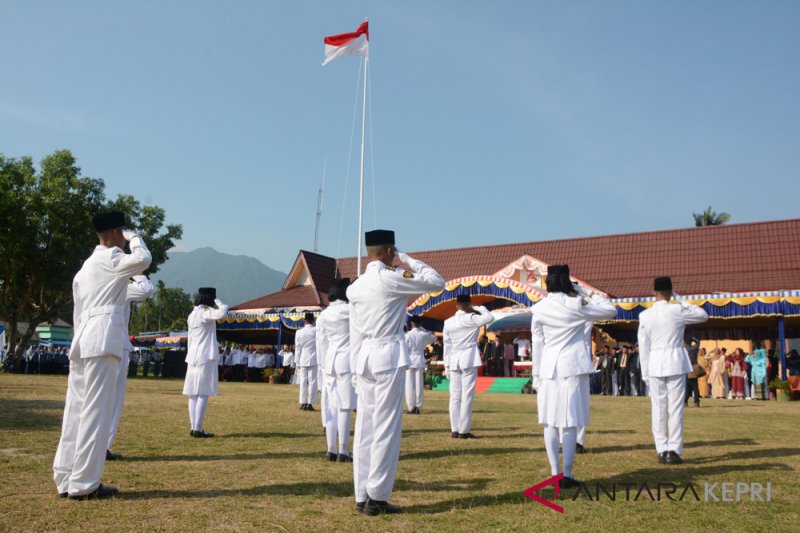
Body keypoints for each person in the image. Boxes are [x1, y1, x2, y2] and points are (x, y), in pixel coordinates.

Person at [53, 211, 151, 500]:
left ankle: (65, 477)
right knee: (96, 412)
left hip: (83, 340)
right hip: (103, 339)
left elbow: (78, 312)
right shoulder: (111, 258)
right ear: (117, 232)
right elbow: (143, 261)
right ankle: (84, 484)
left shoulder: (84, 268)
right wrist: (135, 238)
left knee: (75, 411)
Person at [347, 229, 445, 516]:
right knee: (386, 428)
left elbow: (355, 333)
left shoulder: (356, 286)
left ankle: (361, 493)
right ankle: (377, 497)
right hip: (387, 356)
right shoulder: (389, 278)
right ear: (389, 250)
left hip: (364, 358)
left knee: (365, 426)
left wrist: (355, 367)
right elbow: (436, 282)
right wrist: (406, 258)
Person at [531, 264, 616, 488]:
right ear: (568, 283)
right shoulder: (576, 304)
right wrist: (588, 292)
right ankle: (567, 474)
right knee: (569, 423)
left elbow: (537, 343)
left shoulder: (539, 308)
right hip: (572, 367)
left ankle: (554, 473)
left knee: (549, 422)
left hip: (549, 367)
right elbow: (610, 310)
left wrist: (536, 374)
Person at [638, 277, 708, 465]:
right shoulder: (677, 310)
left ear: (653, 292)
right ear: (670, 292)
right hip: (675, 361)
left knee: (658, 408)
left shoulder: (645, 315)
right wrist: (680, 299)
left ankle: (661, 449)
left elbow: (643, 346)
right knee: (675, 408)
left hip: (654, 362)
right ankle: (673, 450)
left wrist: (645, 372)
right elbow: (702, 315)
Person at [106, 275, 156, 461]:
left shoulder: (95, 279)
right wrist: (137, 272)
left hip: (94, 343)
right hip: (117, 345)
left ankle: (92, 447)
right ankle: (103, 447)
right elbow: (147, 289)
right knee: (114, 399)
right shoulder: (122, 286)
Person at [316, 278, 356, 462]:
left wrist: (323, 364)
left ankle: (331, 449)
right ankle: (343, 451)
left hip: (330, 361)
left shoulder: (324, 314)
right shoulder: (350, 310)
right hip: (346, 361)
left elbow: (321, 342)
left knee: (332, 407)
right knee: (344, 408)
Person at [443, 295, 494, 439]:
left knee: (455, 396)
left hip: (454, 360)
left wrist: (446, 365)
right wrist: (478, 308)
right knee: (467, 395)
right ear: (468, 305)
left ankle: (455, 429)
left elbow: (447, 345)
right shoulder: (471, 318)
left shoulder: (448, 322)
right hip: (468, 358)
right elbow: (489, 317)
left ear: (456, 305)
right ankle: (463, 431)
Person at [182, 288, 228, 437]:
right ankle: (198, 428)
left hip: (193, 357)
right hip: (205, 356)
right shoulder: (205, 313)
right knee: (203, 392)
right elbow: (222, 312)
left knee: (193, 394)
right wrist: (218, 302)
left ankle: (193, 427)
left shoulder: (192, 315)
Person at [404, 316, 436, 414]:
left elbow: (404, 348)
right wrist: (423, 328)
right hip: (419, 359)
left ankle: (411, 407)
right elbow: (434, 338)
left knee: (409, 385)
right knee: (419, 384)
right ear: (419, 324)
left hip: (410, 360)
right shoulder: (423, 334)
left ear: (411, 324)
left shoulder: (408, 335)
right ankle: (418, 406)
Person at [295, 313, 318, 411]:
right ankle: (310, 403)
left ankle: (303, 402)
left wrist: (297, 361)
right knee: (312, 382)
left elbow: (298, 348)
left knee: (303, 381)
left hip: (303, 358)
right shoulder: (316, 331)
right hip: (314, 358)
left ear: (305, 320)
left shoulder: (299, 332)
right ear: (313, 320)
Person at [684, 338, 701, 408]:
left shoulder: (684, 348)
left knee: (687, 386)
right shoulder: (694, 348)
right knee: (695, 386)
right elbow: (698, 342)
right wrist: (693, 339)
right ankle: (696, 402)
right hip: (694, 367)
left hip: (687, 368)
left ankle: (685, 402)